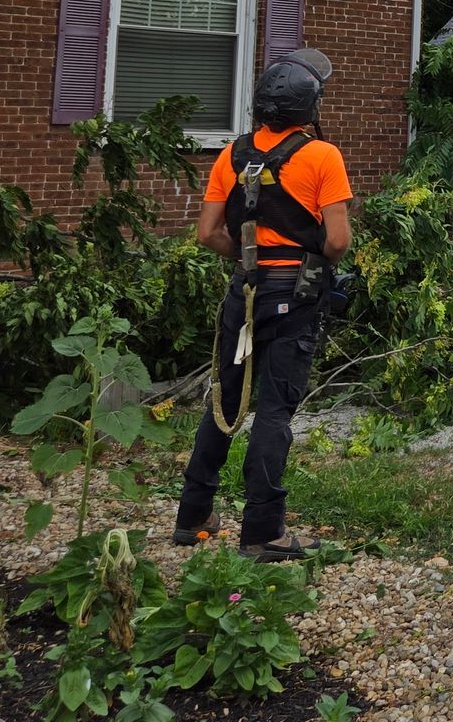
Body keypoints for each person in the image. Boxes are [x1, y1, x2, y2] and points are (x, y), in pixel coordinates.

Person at [173, 47, 352, 561]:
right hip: (294, 296)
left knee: (225, 403)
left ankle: (193, 515)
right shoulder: (322, 156)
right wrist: (295, 260)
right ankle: (263, 531)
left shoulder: (232, 155)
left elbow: (208, 232)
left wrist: (252, 260)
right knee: (274, 409)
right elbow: (337, 242)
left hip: (245, 293)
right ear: (309, 107)